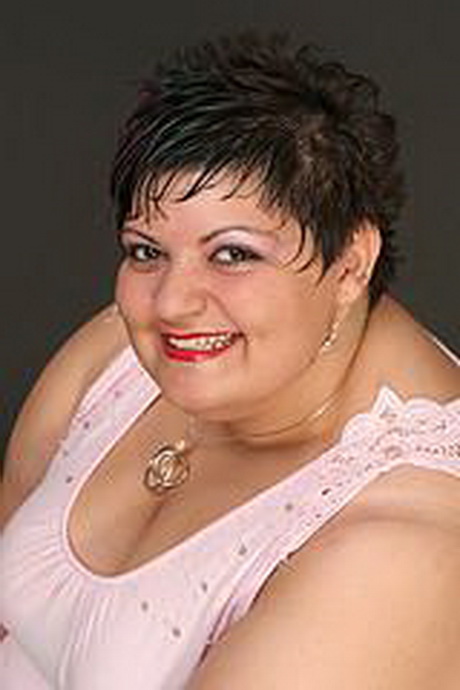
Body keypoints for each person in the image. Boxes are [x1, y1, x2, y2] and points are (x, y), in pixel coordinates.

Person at [1, 32, 459, 690]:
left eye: (234, 254)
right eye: (146, 251)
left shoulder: (401, 550)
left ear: (351, 263)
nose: (172, 302)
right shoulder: (120, 354)